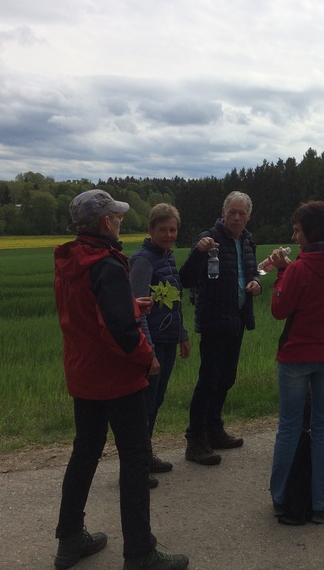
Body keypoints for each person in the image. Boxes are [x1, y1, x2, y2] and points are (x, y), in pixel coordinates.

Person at [53, 189, 188, 570]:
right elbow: (120, 332)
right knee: (135, 458)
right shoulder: (108, 266)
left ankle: (69, 539)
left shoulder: (71, 261)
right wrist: (147, 357)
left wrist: (129, 306)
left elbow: (90, 312)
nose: (120, 220)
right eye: (116, 215)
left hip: (83, 373)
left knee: (85, 452)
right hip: (115, 377)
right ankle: (140, 552)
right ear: (104, 222)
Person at [267, 201, 324, 524]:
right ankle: (323, 502)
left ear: (311, 231)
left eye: (297, 231)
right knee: (323, 428)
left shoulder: (299, 268)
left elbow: (279, 309)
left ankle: (281, 497)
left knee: (289, 427)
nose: (294, 238)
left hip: (296, 356)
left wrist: (282, 272)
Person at [179, 191, 262, 465]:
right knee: (208, 381)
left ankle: (214, 429)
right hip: (214, 320)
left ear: (248, 216)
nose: (237, 217)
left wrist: (256, 283)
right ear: (223, 212)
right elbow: (186, 278)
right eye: (232, 212)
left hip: (237, 319)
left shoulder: (247, 241)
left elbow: (251, 272)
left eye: (242, 213)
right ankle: (195, 439)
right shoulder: (208, 239)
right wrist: (199, 252)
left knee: (226, 378)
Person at [130, 204, 191, 475]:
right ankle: (136, 463)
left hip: (168, 341)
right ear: (150, 230)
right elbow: (137, 310)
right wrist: (149, 351)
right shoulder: (143, 261)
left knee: (155, 401)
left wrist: (182, 336)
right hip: (151, 344)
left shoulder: (168, 259)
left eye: (173, 230)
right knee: (144, 405)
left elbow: (175, 304)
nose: (169, 235)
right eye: (163, 230)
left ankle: (145, 455)